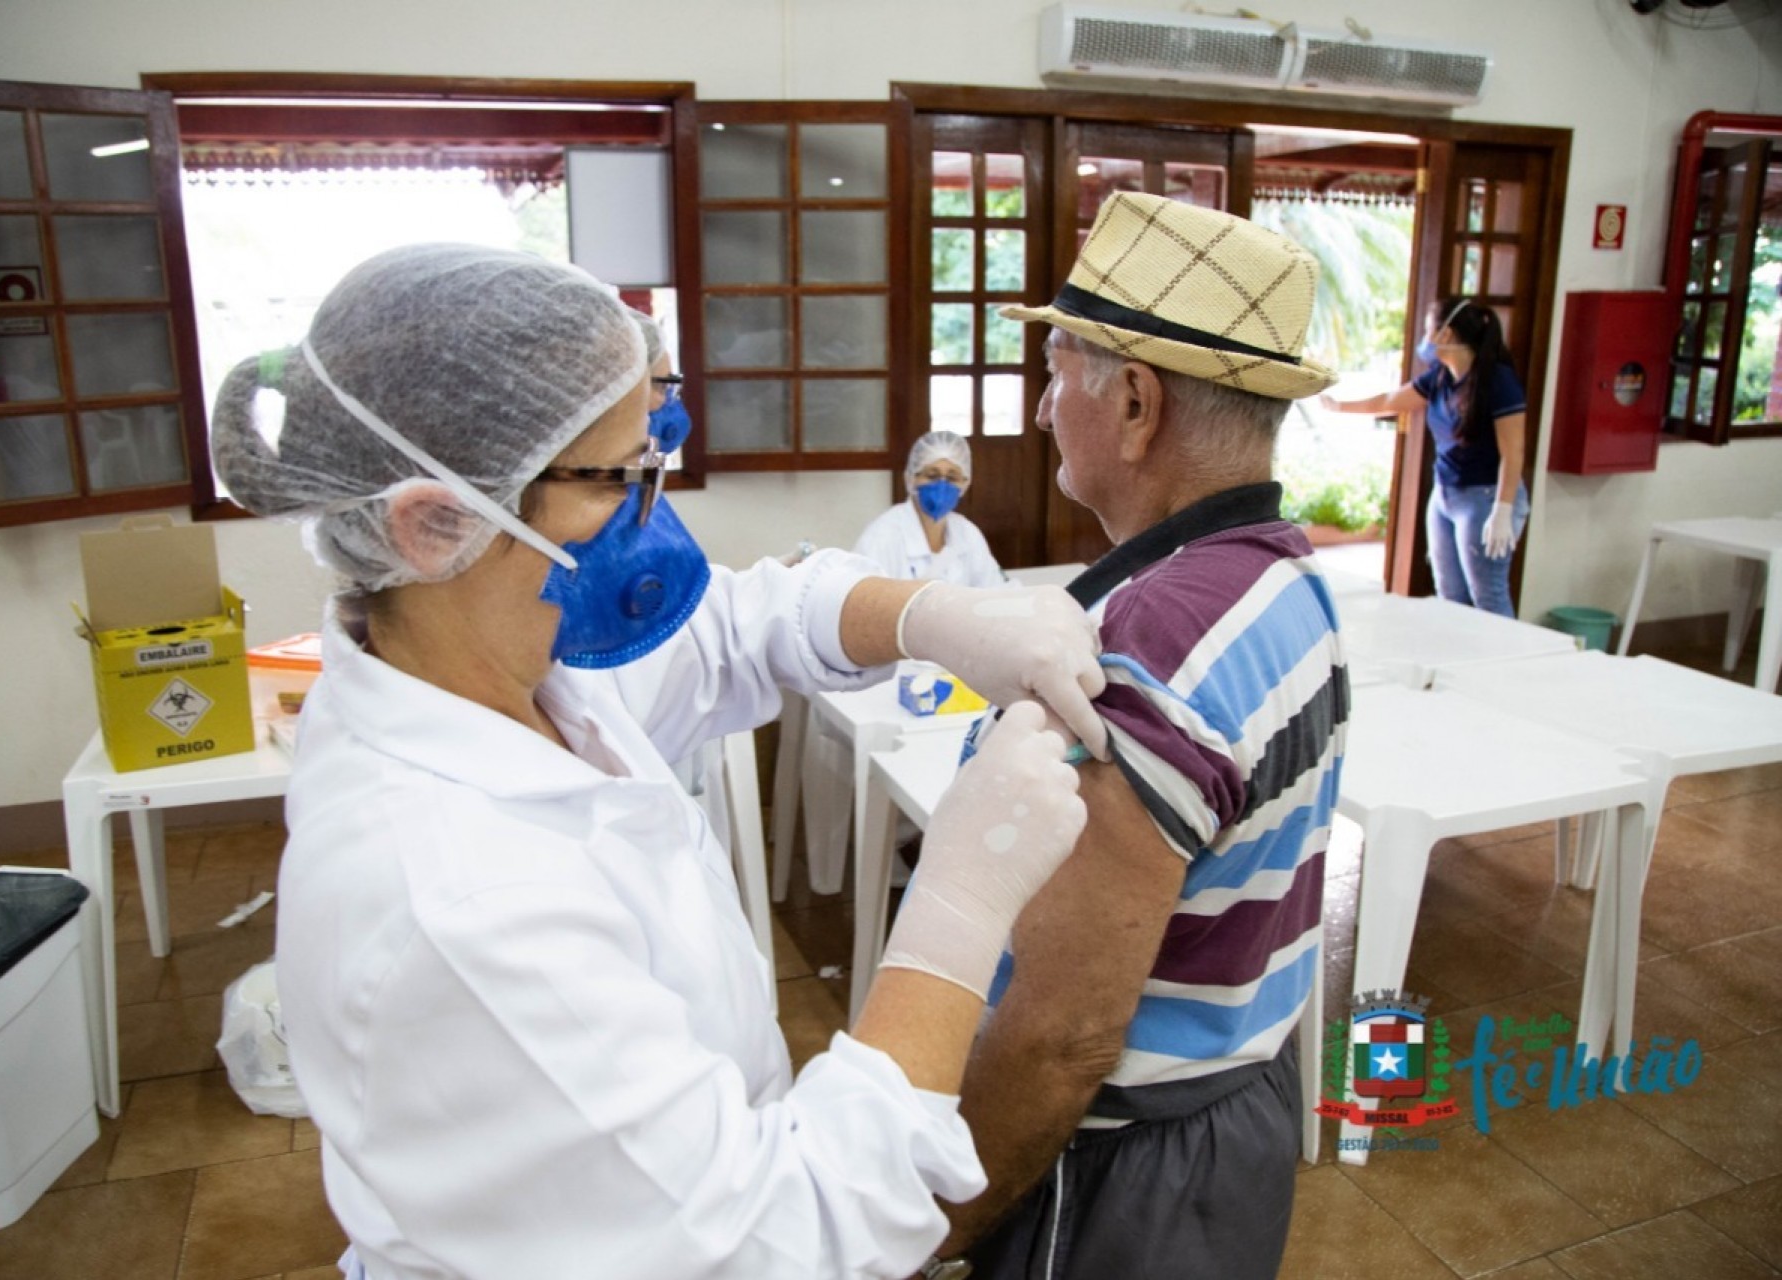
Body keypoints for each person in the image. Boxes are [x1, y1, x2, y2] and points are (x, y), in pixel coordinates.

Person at [210, 243, 1115, 1280]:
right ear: (434, 522)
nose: (654, 514)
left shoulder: (511, 663)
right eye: (617, 478)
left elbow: (744, 619)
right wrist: (957, 905)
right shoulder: (455, 900)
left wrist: (934, 613)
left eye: (658, 459)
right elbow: (788, 1233)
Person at [928, 193, 1350, 1280]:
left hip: (1120, 1169)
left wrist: (927, 1236)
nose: (1037, 406)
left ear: (1133, 403)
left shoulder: (1150, 643)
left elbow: (1065, 1033)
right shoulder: (1288, 576)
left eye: (1058, 367)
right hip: (1236, 1107)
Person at [1321, 296, 1530, 616]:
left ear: (1445, 335)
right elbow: (1391, 400)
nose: (1425, 339)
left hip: (1484, 499)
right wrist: (1338, 406)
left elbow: (1513, 452)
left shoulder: (1497, 381)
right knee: (1450, 593)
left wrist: (1503, 509)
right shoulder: (1440, 378)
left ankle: (1503, 664)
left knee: (1487, 595)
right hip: (1446, 495)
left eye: (1428, 330)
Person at [854, 431, 1006, 587]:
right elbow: (865, 603)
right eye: (932, 475)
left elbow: (994, 589)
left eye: (952, 477)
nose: (942, 485)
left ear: (964, 483)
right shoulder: (882, 537)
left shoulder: (967, 534)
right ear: (912, 478)